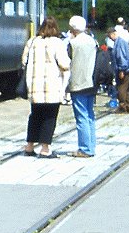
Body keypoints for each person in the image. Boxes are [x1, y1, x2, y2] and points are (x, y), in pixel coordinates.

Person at [21, 17, 71, 159]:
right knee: (49, 117)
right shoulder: (57, 43)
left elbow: (24, 61)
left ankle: (29, 146)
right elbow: (64, 64)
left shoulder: (32, 42)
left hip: (34, 86)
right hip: (51, 86)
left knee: (35, 116)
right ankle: (45, 148)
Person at [66, 16, 98, 157]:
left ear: (73, 28)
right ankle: (91, 146)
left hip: (78, 82)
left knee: (81, 117)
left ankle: (85, 148)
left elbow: (67, 61)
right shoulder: (93, 41)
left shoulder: (73, 43)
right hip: (92, 81)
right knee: (90, 115)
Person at [108, 26, 129, 113]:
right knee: (126, 87)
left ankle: (122, 106)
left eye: (109, 36)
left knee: (121, 88)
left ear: (113, 34)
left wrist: (121, 70)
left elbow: (121, 57)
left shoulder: (119, 43)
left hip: (124, 68)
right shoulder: (120, 42)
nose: (109, 38)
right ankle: (128, 106)